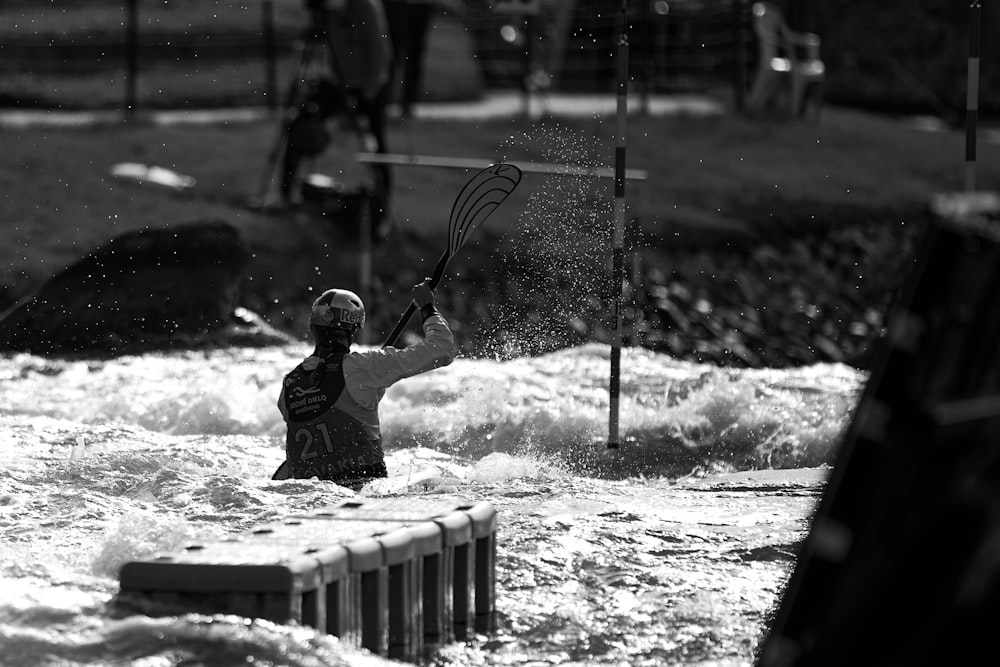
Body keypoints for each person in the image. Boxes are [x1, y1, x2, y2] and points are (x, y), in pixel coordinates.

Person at [274, 281, 456, 489]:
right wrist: (427, 307)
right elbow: (443, 348)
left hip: (312, 493)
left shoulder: (290, 383)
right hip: (364, 488)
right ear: (353, 330)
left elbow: (328, 416)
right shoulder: (365, 367)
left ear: (314, 328)